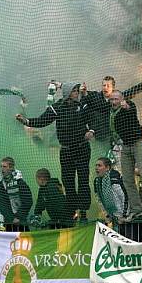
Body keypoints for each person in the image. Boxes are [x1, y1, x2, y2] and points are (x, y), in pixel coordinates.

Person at [17, 83, 94, 220]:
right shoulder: (58, 107)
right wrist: (26, 121)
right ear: (67, 93)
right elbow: (42, 120)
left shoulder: (82, 105)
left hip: (82, 149)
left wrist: (91, 131)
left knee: (83, 181)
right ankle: (71, 213)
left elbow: (92, 119)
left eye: (77, 91)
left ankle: (83, 213)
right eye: (74, 91)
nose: (77, 93)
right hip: (66, 151)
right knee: (68, 183)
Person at [102, 90, 142, 220]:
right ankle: (136, 209)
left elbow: (130, 109)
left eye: (116, 99)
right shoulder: (110, 112)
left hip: (138, 143)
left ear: (122, 99)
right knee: (127, 178)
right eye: (112, 99)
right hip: (125, 146)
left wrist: (126, 106)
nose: (114, 102)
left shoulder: (129, 106)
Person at [93, 157, 128, 223]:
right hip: (112, 216)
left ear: (107, 168)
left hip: (124, 216)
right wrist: (106, 215)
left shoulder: (113, 176)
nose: (96, 168)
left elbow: (123, 196)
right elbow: (99, 200)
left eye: (99, 165)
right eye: (96, 165)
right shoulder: (97, 181)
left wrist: (124, 215)